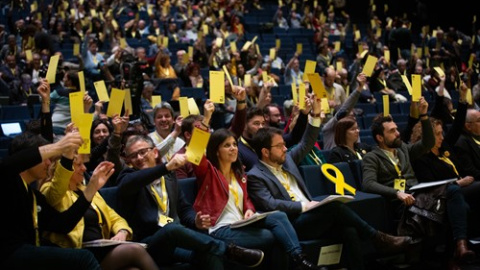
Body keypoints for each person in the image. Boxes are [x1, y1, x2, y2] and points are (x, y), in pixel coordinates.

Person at [247, 95, 413, 270]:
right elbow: (270, 204)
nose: (285, 148)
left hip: (312, 216)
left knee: (349, 230)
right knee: (335, 207)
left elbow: (306, 143)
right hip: (293, 223)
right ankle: (377, 238)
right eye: (279, 146)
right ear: (265, 152)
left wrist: (315, 117)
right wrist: (305, 207)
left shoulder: (287, 160)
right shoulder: (255, 175)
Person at [191, 105, 319, 269]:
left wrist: (249, 209)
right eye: (227, 145)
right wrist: (206, 119)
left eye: (234, 144)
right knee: (270, 236)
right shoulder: (208, 173)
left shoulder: (240, 174)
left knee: (278, 217)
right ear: (216, 151)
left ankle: (299, 258)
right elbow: (194, 153)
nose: (233, 148)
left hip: (241, 224)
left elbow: (247, 200)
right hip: (219, 228)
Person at [117, 135, 264, 269]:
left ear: (155, 152)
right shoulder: (128, 177)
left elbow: (184, 208)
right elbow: (131, 183)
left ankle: (224, 250)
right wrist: (166, 167)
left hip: (178, 240)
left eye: (143, 152)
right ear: (129, 161)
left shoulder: (169, 177)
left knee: (210, 254)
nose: (139, 157)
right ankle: (229, 250)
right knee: (171, 229)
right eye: (133, 155)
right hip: (151, 243)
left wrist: (195, 220)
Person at [0, 127, 101, 269]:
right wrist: (58, 146)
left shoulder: (34, 195)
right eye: (45, 159)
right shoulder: (7, 180)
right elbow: (6, 165)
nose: (48, 163)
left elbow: (62, 225)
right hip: (7, 254)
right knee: (84, 258)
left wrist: (90, 190)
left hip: (26, 253)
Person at [40, 152, 159, 270]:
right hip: (77, 255)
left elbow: (115, 218)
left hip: (100, 251)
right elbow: (59, 185)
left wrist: (122, 232)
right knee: (134, 250)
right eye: (79, 164)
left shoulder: (86, 189)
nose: (84, 168)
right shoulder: (50, 190)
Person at [322, 73, 366, 150]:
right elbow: (345, 108)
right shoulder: (329, 128)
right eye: (349, 117)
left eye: (353, 117)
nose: (353, 119)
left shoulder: (353, 131)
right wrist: (359, 88)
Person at [454, 109, 480, 181]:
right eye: (479, 120)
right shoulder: (461, 143)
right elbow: (471, 172)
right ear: (468, 126)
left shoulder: (476, 136)